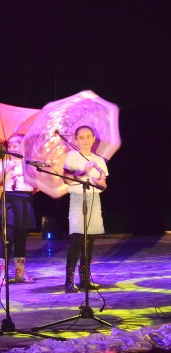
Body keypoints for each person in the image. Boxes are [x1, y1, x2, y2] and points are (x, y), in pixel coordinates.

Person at [62, 125, 108, 294]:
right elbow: (66, 179)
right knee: (77, 240)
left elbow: (104, 185)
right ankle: (69, 281)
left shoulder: (99, 160)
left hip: (94, 199)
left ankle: (85, 279)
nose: (85, 140)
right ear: (76, 140)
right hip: (78, 199)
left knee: (89, 242)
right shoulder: (72, 156)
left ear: (93, 139)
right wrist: (84, 171)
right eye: (81, 137)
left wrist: (98, 182)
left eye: (88, 137)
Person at [0, 134, 36, 286]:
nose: (12, 149)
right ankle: (3, 273)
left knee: (21, 237)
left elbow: (36, 184)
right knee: (7, 236)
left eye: (16, 146)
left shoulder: (28, 163)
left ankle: (20, 273)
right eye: (10, 146)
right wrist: (7, 169)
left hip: (24, 200)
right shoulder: (5, 162)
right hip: (9, 199)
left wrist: (23, 174)